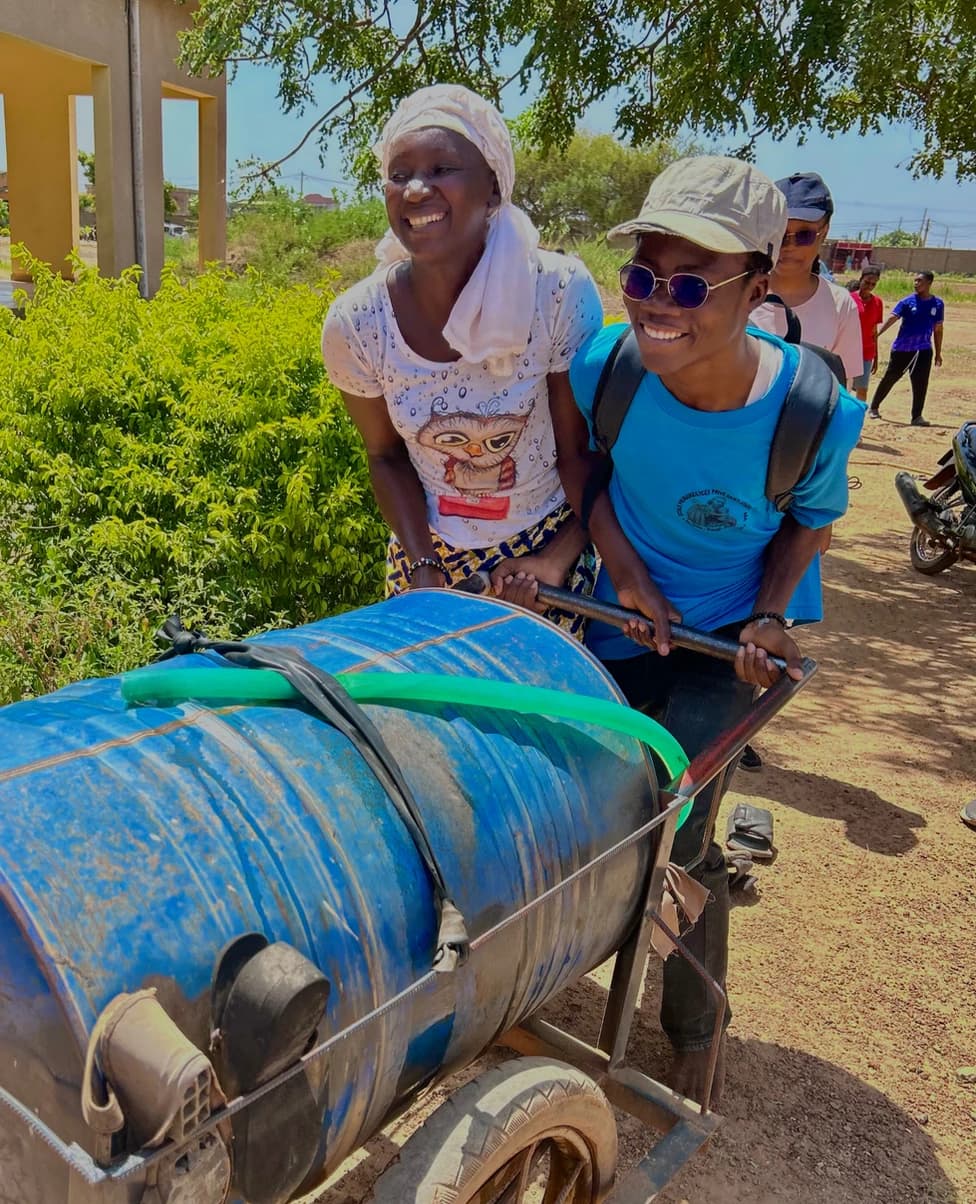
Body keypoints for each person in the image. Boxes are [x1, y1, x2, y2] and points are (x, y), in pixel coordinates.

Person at [548, 155, 864, 1105]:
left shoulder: (813, 412)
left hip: (727, 638)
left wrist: (770, 611)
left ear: (759, 287)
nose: (657, 304)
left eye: (690, 284)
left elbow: (812, 515)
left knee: (674, 820)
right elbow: (589, 482)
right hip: (621, 617)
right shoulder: (607, 365)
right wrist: (633, 579)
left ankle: (694, 1023)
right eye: (643, 277)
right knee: (570, 791)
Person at [321, 85, 603, 632]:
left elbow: (579, 454)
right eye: (399, 175)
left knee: (529, 713)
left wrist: (554, 560)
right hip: (425, 551)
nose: (417, 189)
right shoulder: (358, 323)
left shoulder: (555, 293)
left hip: (542, 549)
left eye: (443, 168)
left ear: (493, 189)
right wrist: (424, 570)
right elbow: (386, 457)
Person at [749, 172, 863, 388]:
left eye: (804, 235)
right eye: (780, 234)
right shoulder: (737, 293)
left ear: (825, 231)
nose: (789, 246)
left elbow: (840, 390)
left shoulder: (841, 305)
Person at [868, 271, 944, 426]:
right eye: (915, 281)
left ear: (929, 283)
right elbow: (892, 318)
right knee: (890, 378)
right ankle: (874, 407)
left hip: (924, 350)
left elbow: (938, 329)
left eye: (920, 281)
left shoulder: (937, 304)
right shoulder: (907, 302)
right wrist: (878, 334)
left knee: (921, 382)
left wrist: (938, 353)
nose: (916, 284)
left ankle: (917, 416)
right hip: (903, 349)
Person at [850, 266, 884, 402]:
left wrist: (876, 356)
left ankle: (858, 420)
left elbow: (874, 331)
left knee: (862, 389)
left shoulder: (877, 303)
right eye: (867, 282)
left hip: (866, 352)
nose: (869, 286)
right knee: (843, 388)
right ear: (861, 279)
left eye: (873, 284)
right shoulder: (849, 299)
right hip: (848, 350)